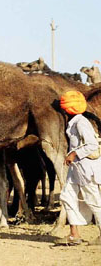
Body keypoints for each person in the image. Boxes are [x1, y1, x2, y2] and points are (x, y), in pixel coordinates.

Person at [55, 90, 101, 246]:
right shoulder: (74, 122)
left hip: (86, 169)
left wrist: (74, 154)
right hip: (76, 169)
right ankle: (74, 235)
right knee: (67, 196)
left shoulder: (81, 123)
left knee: (93, 200)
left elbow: (92, 144)